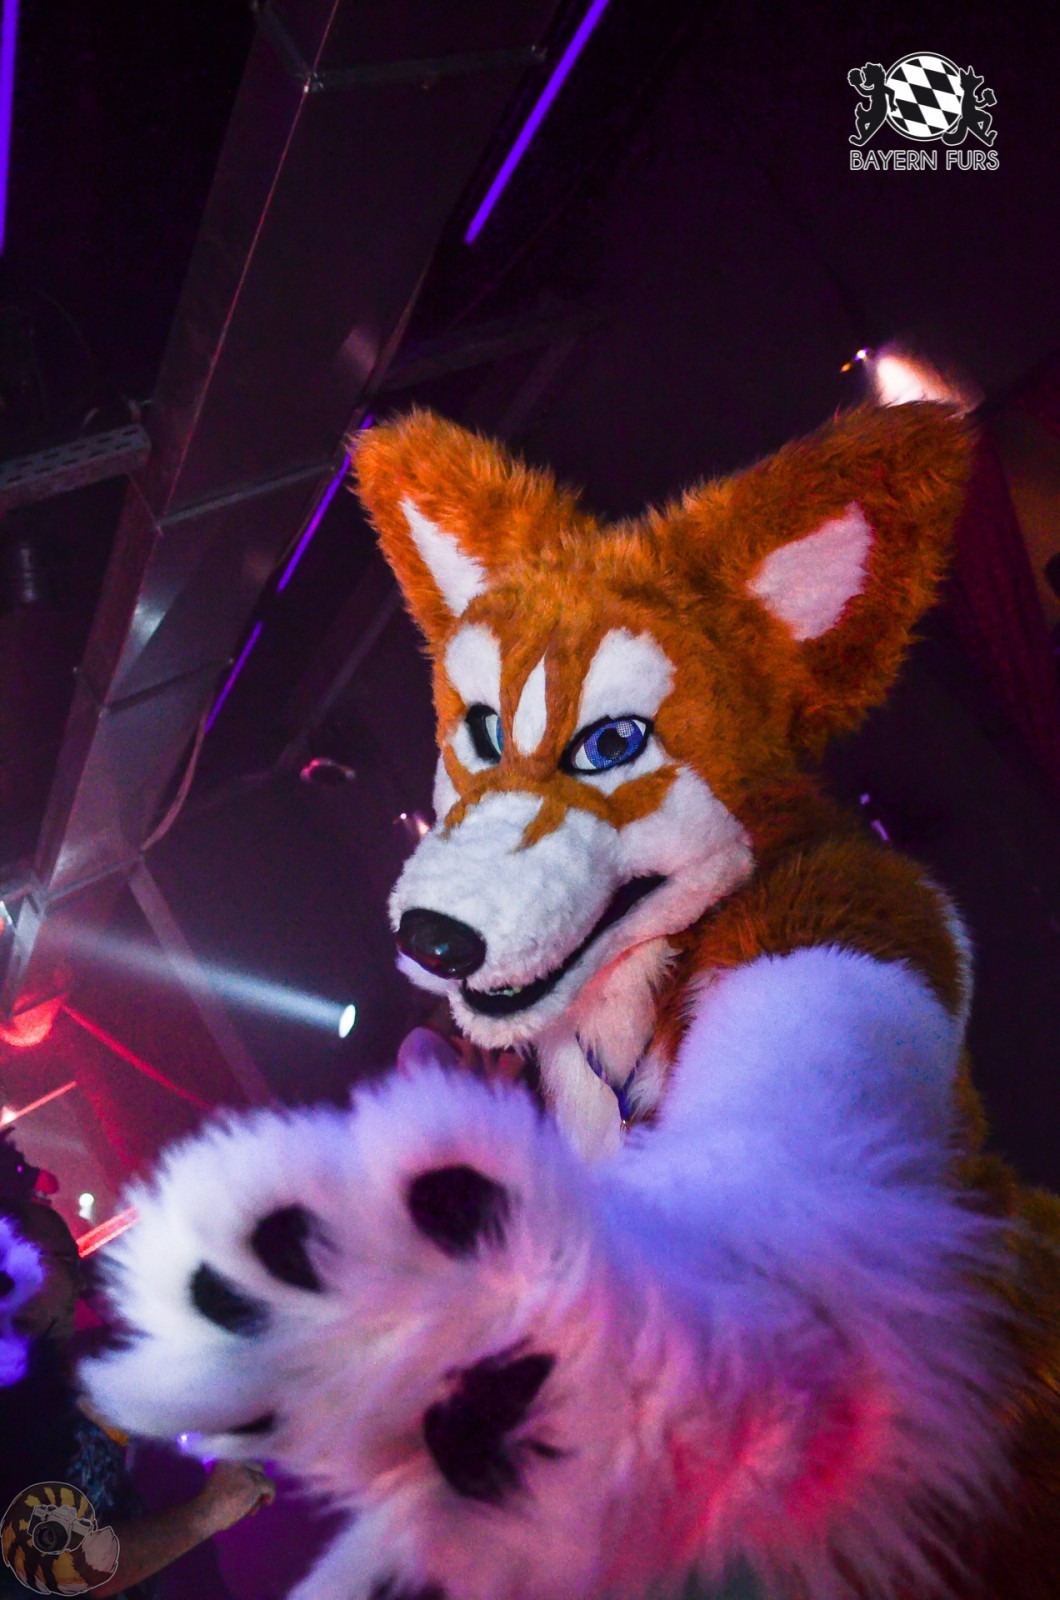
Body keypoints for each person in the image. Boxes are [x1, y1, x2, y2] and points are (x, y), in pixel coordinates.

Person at [0, 1198, 274, 1599]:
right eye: (68, 1264)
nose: (81, 1285)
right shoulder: (16, 1404)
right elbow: (55, 1566)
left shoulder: (78, 1377)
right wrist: (209, 1512)